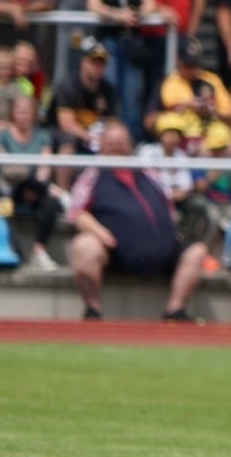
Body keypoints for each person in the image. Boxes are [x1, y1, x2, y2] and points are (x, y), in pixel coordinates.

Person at [66, 122, 209, 321]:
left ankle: (175, 311)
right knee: (84, 245)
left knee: (197, 251)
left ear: (130, 145)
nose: (116, 146)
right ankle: (93, 310)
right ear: (102, 145)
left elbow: (167, 204)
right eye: (111, 142)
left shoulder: (149, 173)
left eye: (121, 142)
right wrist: (100, 233)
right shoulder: (93, 175)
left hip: (163, 251)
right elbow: (76, 212)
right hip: (116, 252)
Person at [86, 0, 158, 139]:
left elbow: (150, 4)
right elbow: (93, 4)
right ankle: (108, 138)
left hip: (132, 43)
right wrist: (117, 15)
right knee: (110, 88)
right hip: (109, 42)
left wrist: (135, 14)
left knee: (133, 92)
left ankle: (131, 138)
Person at [0, 93, 64, 269]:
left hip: (37, 188)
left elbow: (44, 167)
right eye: (19, 111)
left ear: (33, 114)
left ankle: (39, 251)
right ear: (12, 113)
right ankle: (60, 194)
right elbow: (5, 167)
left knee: (51, 204)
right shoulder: (2, 135)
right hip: (11, 187)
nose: (23, 116)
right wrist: (28, 178)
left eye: (26, 112)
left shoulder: (43, 136)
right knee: (8, 198)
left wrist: (34, 185)